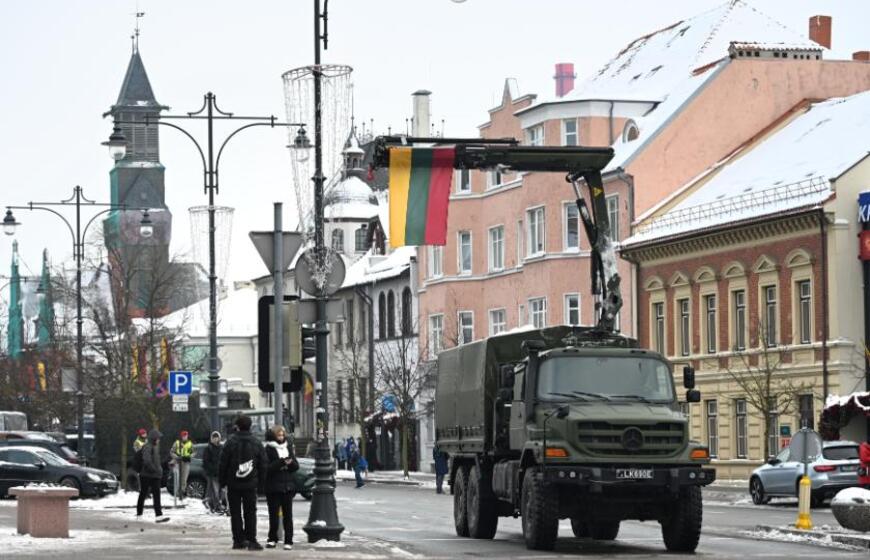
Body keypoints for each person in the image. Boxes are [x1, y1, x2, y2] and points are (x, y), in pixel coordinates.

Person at [220, 415, 267, 551]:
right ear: (250, 426)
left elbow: (223, 464)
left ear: (237, 427)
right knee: (250, 512)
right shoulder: (256, 443)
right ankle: (251, 540)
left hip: (233, 483)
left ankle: (238, 540)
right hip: (250, 483)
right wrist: (261, 484)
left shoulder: (230, 442)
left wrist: (222, 482)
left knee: (235, 513)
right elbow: (263, 464)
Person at [264, 425, 298, 550]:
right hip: (273, 488)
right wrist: (281, 462)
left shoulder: (287, 447)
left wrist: (290, 463)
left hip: (287, 487)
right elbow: (267, 468)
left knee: (288, 516)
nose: (281, 437)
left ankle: (288, 540)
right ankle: (272, 539)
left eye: (283, 435)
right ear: (274, 436)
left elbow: (296, 466)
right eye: (279, 435)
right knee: (273, 515)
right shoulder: (268, 449)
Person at [136, 429, 169, 523]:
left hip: (155, 476)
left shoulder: (155, 447)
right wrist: (155, 470)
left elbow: (156, 461)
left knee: (156, 495)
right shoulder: (148, 447)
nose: (159, 440)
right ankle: (139, 514)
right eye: (158, 438)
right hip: (146, 475)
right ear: (153, 438)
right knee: (143, 494)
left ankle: (159, 516)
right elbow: (147, 461)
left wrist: (159, 469)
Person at [202, 431, 225, 514]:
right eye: (214, 437)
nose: (215, 439)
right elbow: (206, 461)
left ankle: (213, 504)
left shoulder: (222, 447)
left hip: (221, 473)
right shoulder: (208, 448)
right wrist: (211, 469)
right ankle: (217, 506)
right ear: (211, 439)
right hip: (212, 473)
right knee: (215, 491)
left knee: (220, 491)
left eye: (217, 437)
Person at [171, 430, 194, 499]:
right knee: (178, 478)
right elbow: (172, 452)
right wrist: (176, 457)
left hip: (186, 462)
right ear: (181, 436)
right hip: (178, 462)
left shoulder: (190, 443)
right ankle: (177, 493)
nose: (185, 437)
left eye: (186, 435)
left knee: (184, 478)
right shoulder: (177, 443)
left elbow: (193, 452)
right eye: (184, 435)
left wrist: (190, 456)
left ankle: (182, 492)